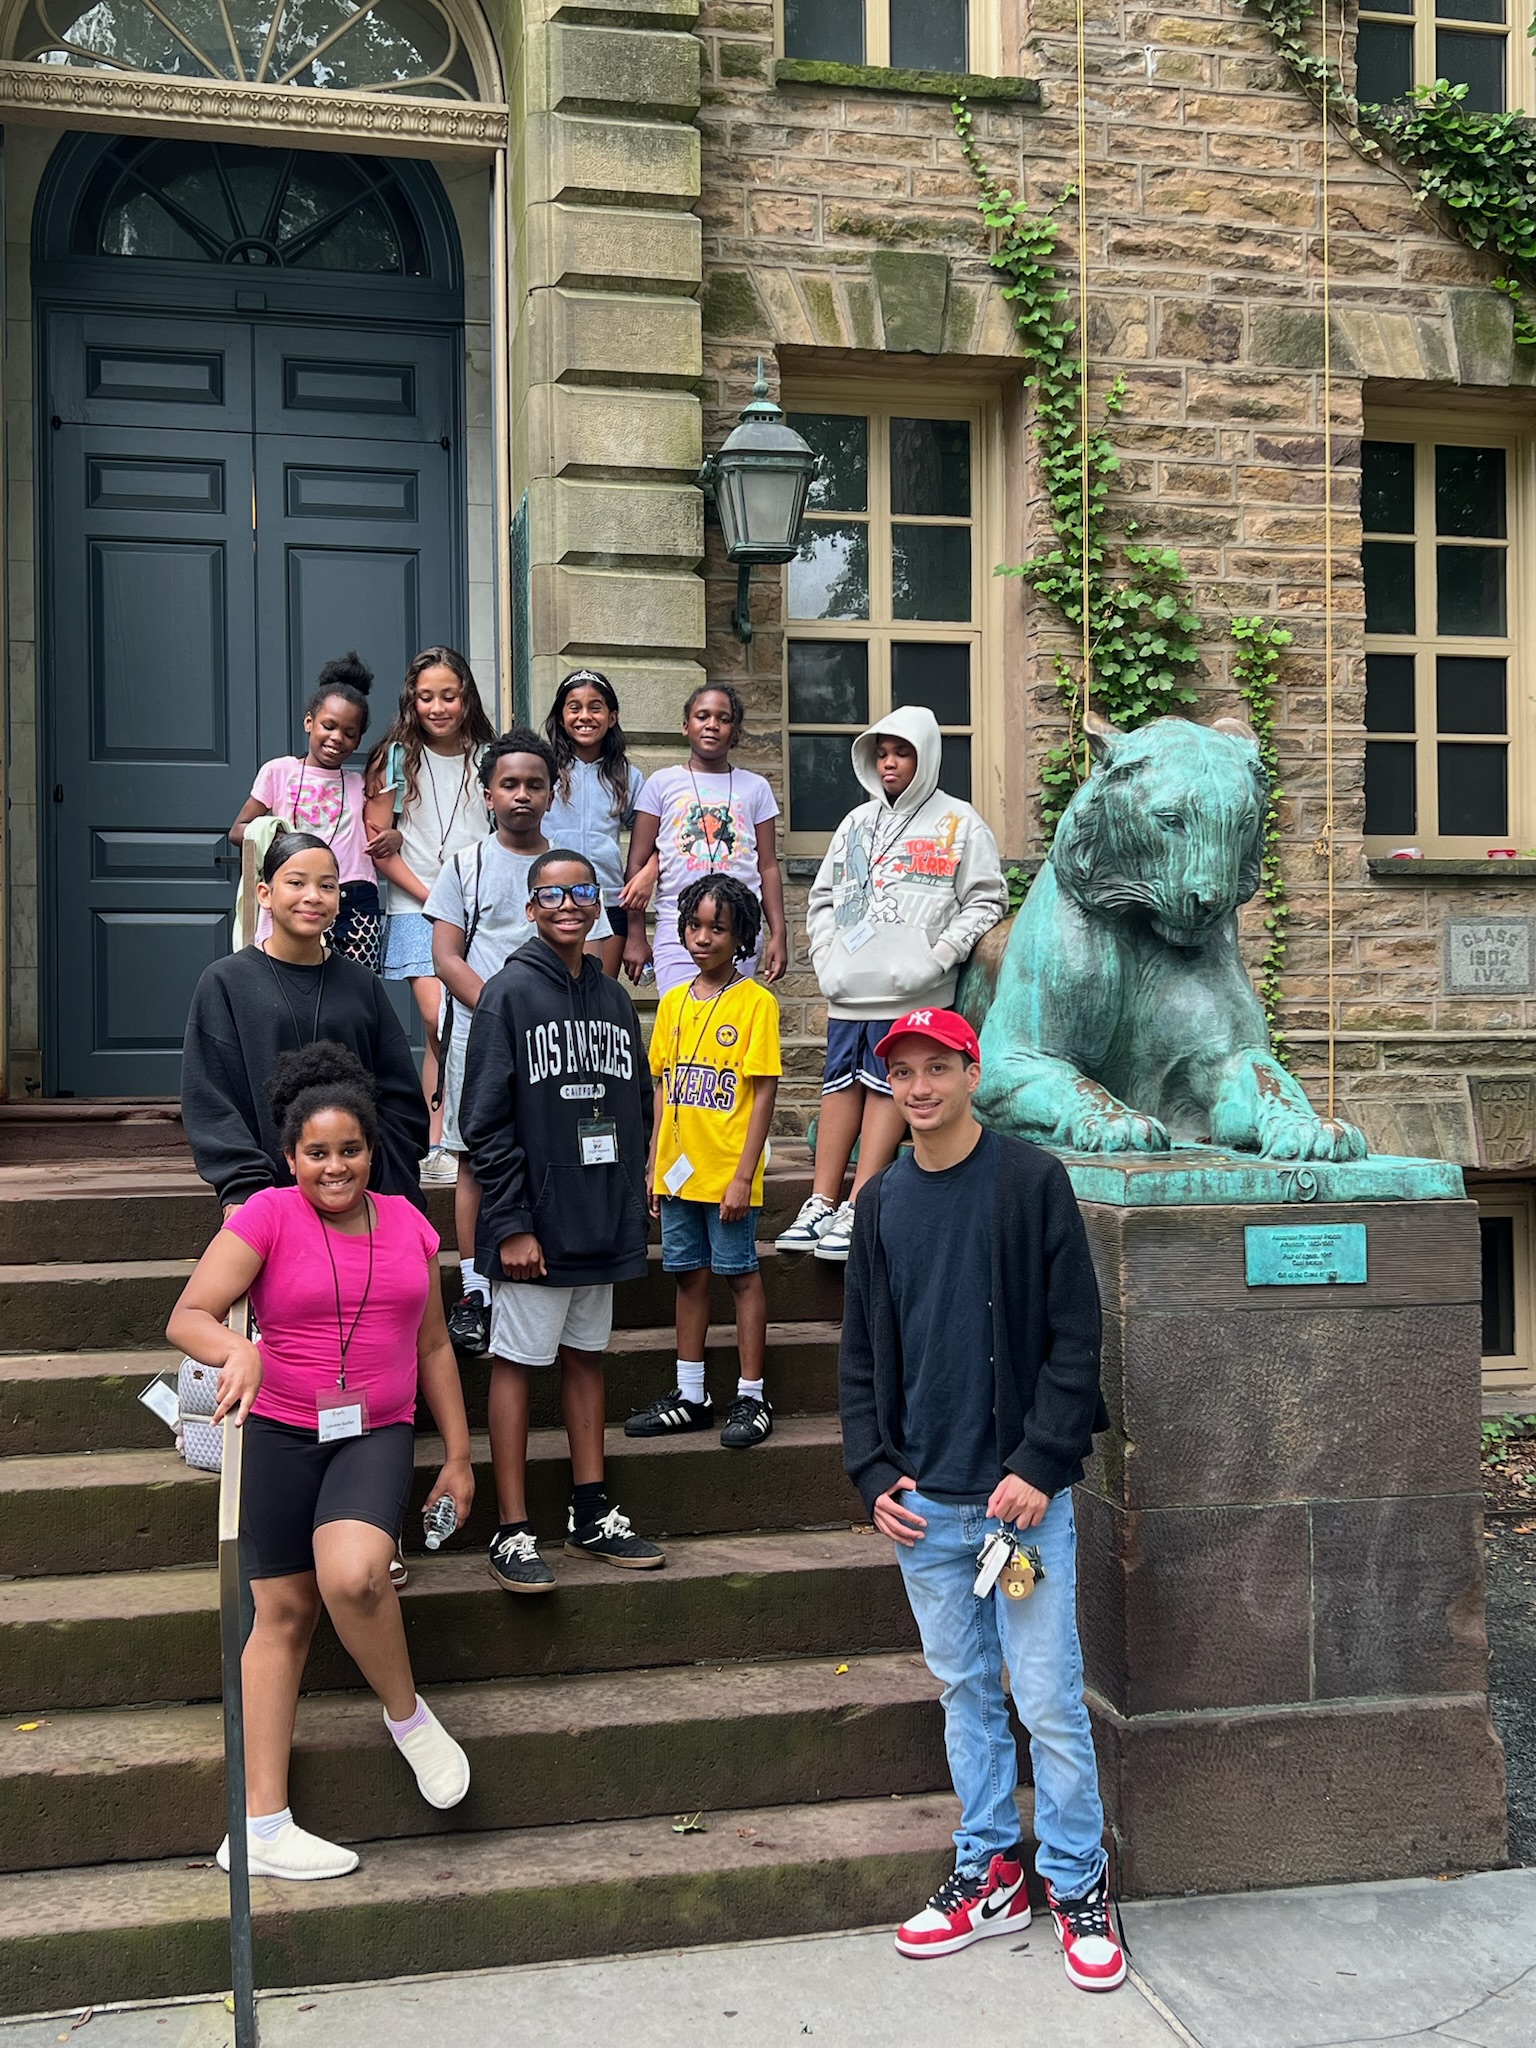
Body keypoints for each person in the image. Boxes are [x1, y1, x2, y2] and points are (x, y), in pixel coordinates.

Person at [838, 1007, 1125, 1993]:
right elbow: (864, 1353)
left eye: (936, 1068)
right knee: (965, 1692)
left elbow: (1077, 1340)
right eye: (903, 1073)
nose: (918, 1087)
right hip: (929, 1508)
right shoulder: (880, 1205)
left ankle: (1080, 1880)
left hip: (1020, 1507)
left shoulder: (1032, 1182)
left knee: (1046, 1695)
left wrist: (1041, 1463)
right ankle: (991, 1866)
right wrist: (874, 1469)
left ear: (971, 1071)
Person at [166, 1042, 475, 1882]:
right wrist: (242, 1350)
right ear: (290, 1156)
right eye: (316, 1153)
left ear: (372, 1151)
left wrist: (457, 1455)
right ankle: (260, 1825)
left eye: (349, 1150)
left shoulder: (410, 1224)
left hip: (374, 1430)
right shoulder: (263, 1216)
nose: (333, 1167)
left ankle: (407, 1718)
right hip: (278, 1431)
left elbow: (436, 1347)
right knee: (285, 1615)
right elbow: (188, 1316)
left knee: (355, 1576)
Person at [459, 850, 664, 1592]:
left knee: (587, 1358)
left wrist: (636, 1188)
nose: (571, 904)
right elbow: (482, 1124)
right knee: (517, 1364)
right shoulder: (507, 995)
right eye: (554, 894)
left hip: (600, 1222)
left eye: (584, 891)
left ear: (600, 902)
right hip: (534, 1231)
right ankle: (512, 1529)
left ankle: (590, 1511)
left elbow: (636, 1102)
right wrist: (510, 1223)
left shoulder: (611, 997)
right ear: (532, 905)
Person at [782, 705, 1008, 1265]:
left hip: (913, 989)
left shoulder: (960, 822)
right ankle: (820, 1199)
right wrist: (824, 955)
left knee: (890, 1081)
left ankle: (861, 1202)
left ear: (926, 755)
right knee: (839, 1083)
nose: (888, 763)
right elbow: (824, 899)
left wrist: (940, 956)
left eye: (901, 752)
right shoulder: (855, 824)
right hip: (848, 986)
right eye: (881, 753)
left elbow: (986, 898)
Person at [425, 729, 611, 1358]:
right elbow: (446, 957)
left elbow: (597, 954)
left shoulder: (568, 870)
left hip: (559, 1044)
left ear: (553, 790)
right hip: (484, 1033)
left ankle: (551, 1242)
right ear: (488, 793)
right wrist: (508, 1012)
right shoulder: (466, 865)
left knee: (547, 1145)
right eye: (510, 784)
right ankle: (476, 1289)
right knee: (478, 1156)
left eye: (535, 784)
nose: (522, 795)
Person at [182, 831, 429, 1213]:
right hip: (265, 1198)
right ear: (264, 893)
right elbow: (211, 1097)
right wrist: (243, 1187)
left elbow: (399, 1095)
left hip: (359, 1192)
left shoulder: (361, 984)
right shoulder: (226, 982)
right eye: (296, 882)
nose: (312, 896)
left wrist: (385, 1183)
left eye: (327, 886)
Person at [626, 876, 781, 1449]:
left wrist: (744, 1175)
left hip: (727, 1177)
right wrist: (653, 1166)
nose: (702, 937)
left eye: (718, 927)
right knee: (687, 1277)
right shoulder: (671, 1002)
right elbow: (663, 1087)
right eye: (694, 925)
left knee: (739, 1276)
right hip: (676, 1173)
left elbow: (761, 1092)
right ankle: (691, 1393)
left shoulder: (756, 1003)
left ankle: (751, 1395)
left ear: (740, 934)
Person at [364, 648, 496, 1178]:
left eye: (449, 695)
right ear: (411, 701)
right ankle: (438, 1142)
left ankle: (462, 1138)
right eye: (426, 697)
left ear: (466, 697)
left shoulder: (490, 755)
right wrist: (432, 896)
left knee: (475, 1021)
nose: (438, 707)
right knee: (438, 1018)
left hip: (480, 907)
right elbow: (380, 845)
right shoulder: (396, 757)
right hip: (415, 903)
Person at [620, 683, 787, 994]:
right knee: (682, 1021)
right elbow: (637, 863)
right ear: (686, 726)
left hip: (739, 928)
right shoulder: (661, 784)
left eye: (723, 719)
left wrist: (779, 933)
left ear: (735, 732)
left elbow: (767, 866)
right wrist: (636, 935)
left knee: (730, 1024)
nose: (712, 725)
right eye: (702, 716)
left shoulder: (755, 787)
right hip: (678, 928)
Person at [230, 652, 388, 966]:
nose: (336, 738)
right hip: (298, 893)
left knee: (352, 992)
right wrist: (276, 839)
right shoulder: (279, 771)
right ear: (308, 722)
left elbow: (378, 835)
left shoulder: (360, 784)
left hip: (355, 900)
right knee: (288, 982)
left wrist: (393, 838)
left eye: (349, 733)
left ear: (358, 741)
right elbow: (238, 830)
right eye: (328, 726)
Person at [543, 668, 649, 978]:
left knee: (597, 997)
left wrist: (637, 932)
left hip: (609, 902)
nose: (584, 716)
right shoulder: (544, 771)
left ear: (612, 717)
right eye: (574, 707)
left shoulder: (628, 777)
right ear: (561, 717)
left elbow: (650, 846)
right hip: (551, 899)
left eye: (595, 707)